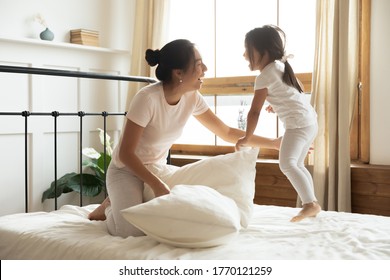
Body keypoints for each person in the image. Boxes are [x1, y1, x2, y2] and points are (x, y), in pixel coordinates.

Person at [88, 39, 281, 238]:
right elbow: (126, 154)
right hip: (125, 171)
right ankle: (109, 207)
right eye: (198, 65)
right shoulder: (147, 99)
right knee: (131, 231)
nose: (205, 69)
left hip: (156, 168)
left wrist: (274, 143)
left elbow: (227, 132)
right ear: (178, 72)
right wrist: (156, 184)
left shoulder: (192, 98)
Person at [235, 25, 321, 222]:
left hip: (297, 125)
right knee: (297, 163)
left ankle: (310, 204)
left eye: (248, 50)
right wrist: (278, 105)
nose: (244, 55)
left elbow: (254, 112)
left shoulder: (264, 76)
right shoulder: (281, 67)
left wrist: (247, 137)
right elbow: (294, 93)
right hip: (310, 122)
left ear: (262, 51)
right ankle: (312, 202)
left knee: (287, 164)